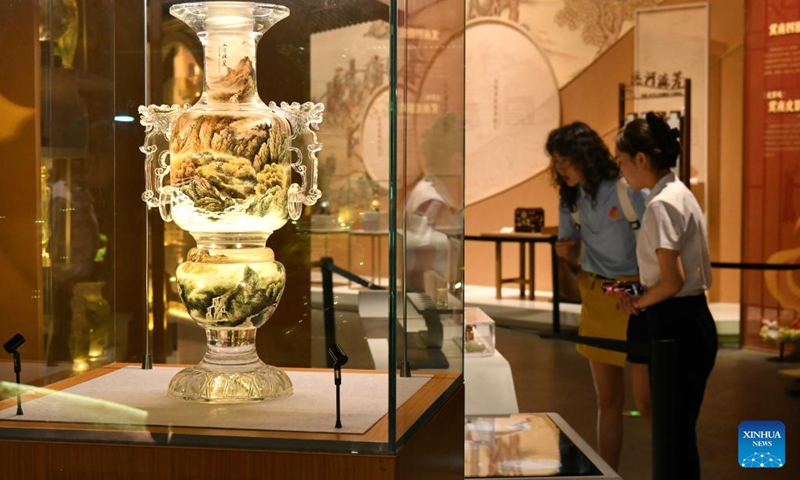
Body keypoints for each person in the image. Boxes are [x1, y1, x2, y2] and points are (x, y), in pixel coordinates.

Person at [614, 112, 717, 480]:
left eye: (623, 162)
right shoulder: (678, 193)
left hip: (676, 321)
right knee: (674, 429)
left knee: (672, 431)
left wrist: (637, 301)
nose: (622, 171)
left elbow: (672, 281)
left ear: (641, 159)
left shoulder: (661, 204)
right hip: (688, 317)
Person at [546, 122, 647, 470]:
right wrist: (568, 252)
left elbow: (657, 253)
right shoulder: (570, 198)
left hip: (636, 299)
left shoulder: (627, 190)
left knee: (648, 404)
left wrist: (634, 291)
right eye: (555, 163)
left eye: (564, 161)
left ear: (584, 157)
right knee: (607, 399)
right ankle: (609, 472)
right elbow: (575, 254)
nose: (560, 170)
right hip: (599, 295)